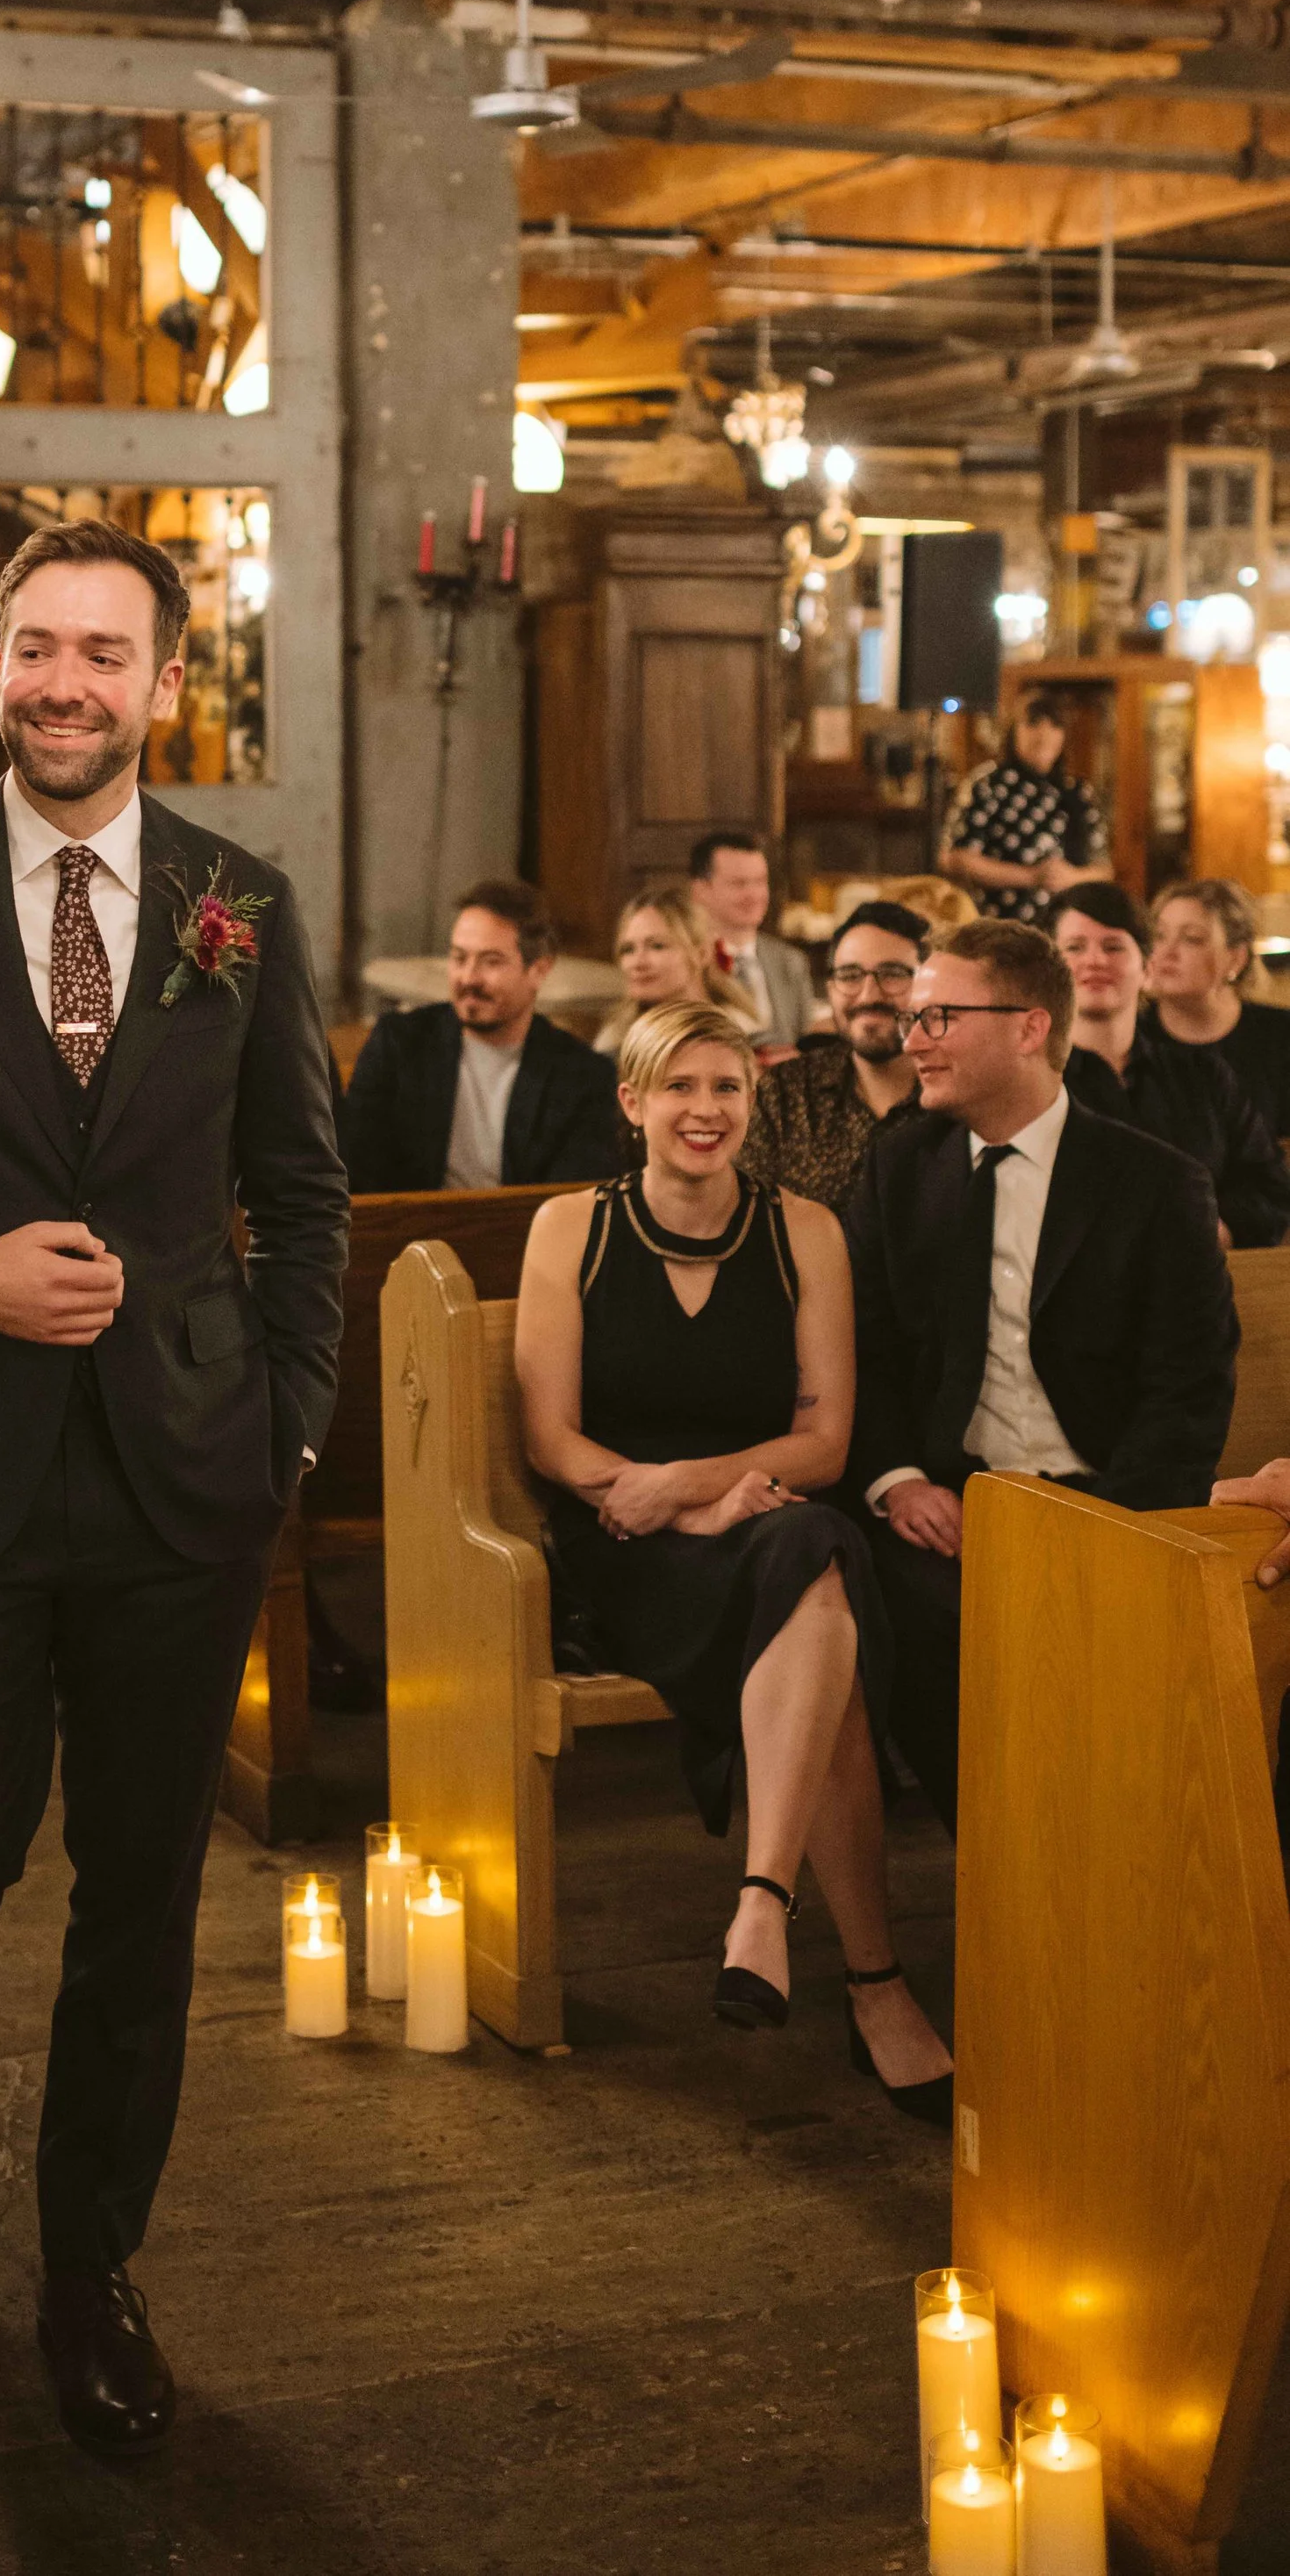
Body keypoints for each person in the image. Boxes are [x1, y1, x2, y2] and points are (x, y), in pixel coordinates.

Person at [0, 516, 348, 2462]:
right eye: (34, 645)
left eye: (103, 652)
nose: (61, 683)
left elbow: (304, 1196)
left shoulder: (238, 906)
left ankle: (89, 2264)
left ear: (162, 682)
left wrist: (277, 1430)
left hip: (184, 1488)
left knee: (138, 1903)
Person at [513, 1001, 954, 2123]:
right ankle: (870, 1980)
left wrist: (703, 1491)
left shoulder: (804, 1231)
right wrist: (672, 1506)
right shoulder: (571, 1226)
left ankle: (765, 1907)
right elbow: (551, 1440)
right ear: (633, 1104)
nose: (703, 1112)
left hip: (762, 1526)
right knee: (825, 1597)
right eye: (679, 1088)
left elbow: (824, 1445)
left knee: (814, 1547)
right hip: (623, 1550)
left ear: (752, 1108)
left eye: (727, 1090)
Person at [846, 920, 1238, 1834]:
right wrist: (898, 1478)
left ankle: (1107, 1865)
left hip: (1113, 1499)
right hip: (954, 1503)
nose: (912, 1040)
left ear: (1028, 1027)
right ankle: (992, 1863)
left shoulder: (1154, 1183)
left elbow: (1187, 1389)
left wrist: (1107, 1524)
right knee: (885, 1602)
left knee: (1112, 1650)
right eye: (913, 1016)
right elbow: (865, 1348)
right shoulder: (901, 1166)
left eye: (939, 1015)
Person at [1050, 881, 1290, 1248]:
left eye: (1113, 946)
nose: (1095, 960)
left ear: (1146, 967)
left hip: (1206, 1279)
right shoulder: (1033, 1081)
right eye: (1075, 947)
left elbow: (1269, 1186)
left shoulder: (1203, 1076)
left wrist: (1213, 1232)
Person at [340, 877, 619, 1192]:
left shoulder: (583, 1075)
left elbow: (573, 1198)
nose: (469, 978)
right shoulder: (398, 1044)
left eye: (491, 962)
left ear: (539, 970)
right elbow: (357, 1172)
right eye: (460, 958)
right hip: (408, 1235)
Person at [742, 899, 931, 1211]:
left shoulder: (957, 1095)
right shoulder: (785, 1094)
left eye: (893, 974)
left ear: (927, 985)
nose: (869, 994)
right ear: (829, 988)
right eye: (850, 975)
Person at [940, 691, 1110, 926]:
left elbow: (1103, 869)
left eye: (1054, 725)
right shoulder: (988, 785)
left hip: (1065, 928)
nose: (1044, 734)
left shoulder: (1077, 792)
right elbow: (955, 858)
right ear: (1013, 731)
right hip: (997, 926)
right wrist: (1030, 877)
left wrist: (1072, 877)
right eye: (1033, 724)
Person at [1148, 878, 1290, 1139]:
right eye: (1159, 935)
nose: (1167, 951)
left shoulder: (1280, 1036)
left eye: (1192, 939)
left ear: (1236, 958)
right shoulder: (1130, 1037)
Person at [689, 829, 814, 1050]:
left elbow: (806, 1043)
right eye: (739, 884)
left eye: (760, 882)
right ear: (701, 890)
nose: (753, 895)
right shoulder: (686, 959)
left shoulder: (791, 961)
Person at [594, 886, 752, 1056]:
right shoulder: (614, 1038)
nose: (638, 963)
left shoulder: (744, 1034)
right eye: (628, 949)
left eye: (657, 946)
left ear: (702, 954)